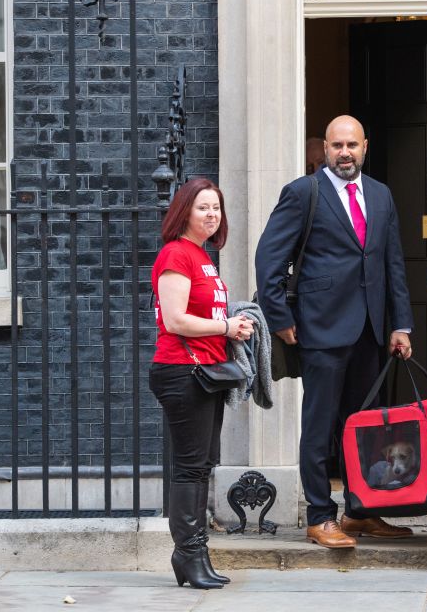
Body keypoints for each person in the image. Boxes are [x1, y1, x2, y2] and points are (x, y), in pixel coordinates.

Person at [255, 115, 415, 549]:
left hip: (371, 331)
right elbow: (268, 261)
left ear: (366, 146)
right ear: (324, 149)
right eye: (336, 146)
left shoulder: (380, 195)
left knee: (364, 425)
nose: (345, 153)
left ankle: (361, 512)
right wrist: (281, 320)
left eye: (352, 145)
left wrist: (399, 324)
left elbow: (392, 263)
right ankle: (320, 515)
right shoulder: (302, 193)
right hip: (320, 328)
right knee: (321, 425)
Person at [149, 178, 256, 589]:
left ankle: (196, 555)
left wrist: (233, 325)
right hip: (181, 370)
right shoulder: (177, 254)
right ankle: (188, 555)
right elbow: (175, 320)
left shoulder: (201, 256)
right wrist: (227, 326)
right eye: (203, 208)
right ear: (184, 212)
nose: (212, 215)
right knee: (191, 467)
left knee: (203, 464)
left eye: (217, 208)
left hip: (204, 373)